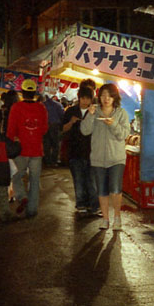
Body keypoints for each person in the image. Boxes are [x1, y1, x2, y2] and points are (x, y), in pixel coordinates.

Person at [80, 83, 130, 231]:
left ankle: (117, 217)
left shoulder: (121, 113)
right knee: (101, 190)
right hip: (98, 158)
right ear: (99, 97)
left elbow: (124, 134)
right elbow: (84, 131)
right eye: (103, 95)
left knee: (115, 189)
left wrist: (113, 124)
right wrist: (89, 115)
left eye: (109, 95)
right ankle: (105, 219)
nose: (106, 98)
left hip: (116, 158)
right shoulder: (94, 112)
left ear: (115, 97)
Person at [6, 79, 49, 218]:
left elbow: (10, 130)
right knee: (35, 180)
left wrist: (13, 141)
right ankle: (32, 210)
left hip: (21, 150)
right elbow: (44, 128)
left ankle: (21, 195)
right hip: (36, 149)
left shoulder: (16, 107)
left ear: (22, 92)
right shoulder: (41, 108)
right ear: (34, 93)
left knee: (16, 176)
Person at [63, 86, 100, 216]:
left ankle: (94, 206)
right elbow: (63, 129)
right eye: (83, 98)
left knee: (92, 181)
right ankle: (81, 205)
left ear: (92, 99)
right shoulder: (71, 111)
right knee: (78, 180)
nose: (85, 101)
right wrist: (71, 122)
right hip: (75, 152)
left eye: (88, 98)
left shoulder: (95, 112)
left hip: (92, 152)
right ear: (79, 98)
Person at [43, 95, 65, 166]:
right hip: (55, 125)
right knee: (55, 144)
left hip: (45, 125)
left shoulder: (43, 105)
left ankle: (47, 161)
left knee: (46, 143)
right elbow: (62, 116)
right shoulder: (58, 105)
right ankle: (54, 161)